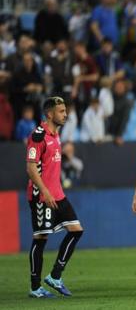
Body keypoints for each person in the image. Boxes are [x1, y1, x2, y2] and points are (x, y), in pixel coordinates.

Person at [26, 96, 84, 298]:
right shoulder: (38, 136)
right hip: (41, 196)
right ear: (49, 114)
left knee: (76, 230)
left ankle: (55, 276)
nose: (65, 114)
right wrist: (44, 191)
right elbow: (31, 167)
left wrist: (54, 190)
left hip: (57, 194)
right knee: (41, 238)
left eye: (65, 110)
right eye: (61, 111)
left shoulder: (56, 134)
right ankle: (34, 288)